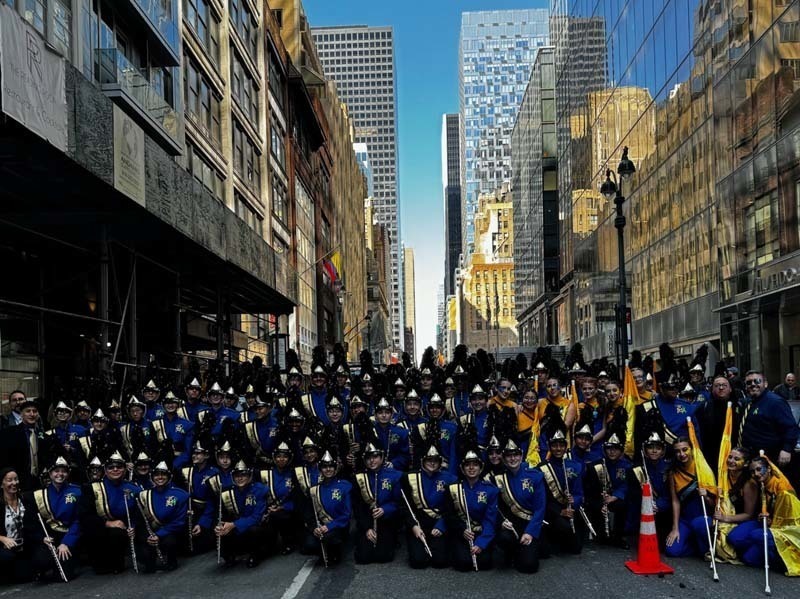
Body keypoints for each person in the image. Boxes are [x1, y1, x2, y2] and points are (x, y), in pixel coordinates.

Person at [728, 454, 800, 574]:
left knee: (756, 537)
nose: (756, 474)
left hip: (786, 530)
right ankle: (762, 549)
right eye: (752, 471)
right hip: (766, 523)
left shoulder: (783, 490)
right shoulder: (762, 483)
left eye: (759, 469)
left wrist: (770, 521)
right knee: (735, 538)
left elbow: (787, 522)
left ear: (769, 469)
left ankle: (778, 558)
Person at [78, 451, 140, 574]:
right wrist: (108, 523)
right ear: (105, 471)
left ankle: (118, 560)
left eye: (119, 467)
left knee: (117, 537)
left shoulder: (134, 489)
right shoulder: (91, 488)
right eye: (111, 467)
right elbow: (84, 516)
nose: (115, 470)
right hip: (99, 529)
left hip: (122, 530)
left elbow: (138, 514)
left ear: (124, 469)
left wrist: (132, 527)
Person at [690, 447, 757, 559]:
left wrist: (725, 518)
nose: (731, 461)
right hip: (721, 517)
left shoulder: (749, 483)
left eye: (736, 459)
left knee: (734, 537)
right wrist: (706, 496)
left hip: (741, 521)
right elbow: (715, 504)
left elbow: (748, 515)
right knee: (699, 523)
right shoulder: (723, 476)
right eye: (730, 457)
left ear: (745, 464)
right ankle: (711, 551)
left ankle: (737, 553)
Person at [493, 439, 546, 573]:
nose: (512, 459)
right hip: (512, 525)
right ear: (504, 459)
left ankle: (528, 549)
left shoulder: (535, 476)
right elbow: (495, 506)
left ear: (521, 455)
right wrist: (501, 522)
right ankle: (514, 551)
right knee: (503, 547)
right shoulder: (499, 478)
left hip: (530, 524)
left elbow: (540, 508)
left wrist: (529, 533)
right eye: (509, 456)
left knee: (529, 567)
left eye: (515, 455)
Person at [401, 444, 458, 569]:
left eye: (435, 460)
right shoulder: (409, 478)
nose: (432, 463)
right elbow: (406, 507)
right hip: (419, 524)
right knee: (418, 562)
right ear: (422, 460)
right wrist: (413, 526)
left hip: (439, 522)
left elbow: (452, 508)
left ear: (440, 462)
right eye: (429, 460)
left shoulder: (450, 479)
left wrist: (441, 526)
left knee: (440, 562)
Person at [27, 456, 82, 582]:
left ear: (67, 473)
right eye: (56, 471)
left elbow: (78, 520)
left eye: (63, 471)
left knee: (64, 576)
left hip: (68, 535)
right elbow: (32, 524)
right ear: (50, 473)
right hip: (50, 537)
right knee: (40, 561)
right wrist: (42, 538)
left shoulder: (77, 492)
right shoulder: (39, 495)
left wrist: (66, 542)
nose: (60, 474)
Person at [445, 449, 498, 571]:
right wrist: (462, 530)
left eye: (475, 465)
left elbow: (490, 519)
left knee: (484, 563)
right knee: (463, 564)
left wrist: (481, 543)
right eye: (467, 465)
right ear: (462, 469)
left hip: (481, 531)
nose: (471, 468)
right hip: (463, 531)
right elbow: (449, 515)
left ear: (481, 468)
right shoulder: (453, 488)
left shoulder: (491, 490)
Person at [665, 438, 715, 557]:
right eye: (677, 451)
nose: (681, 454)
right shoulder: (673, 472)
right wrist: (675, 528)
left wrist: (707, 496)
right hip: (686, 518)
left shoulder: (702, 468)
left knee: (700, 524)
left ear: (692, 450)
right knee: (672, 550)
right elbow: (675, 501)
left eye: (685, 449)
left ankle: (705, 547)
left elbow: (715, 503)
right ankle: (695, 546)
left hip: (703, 518)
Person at [352, 443, 403, 564]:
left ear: (382, 457)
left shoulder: (395, 475)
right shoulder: (359, 478)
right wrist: (367, 528)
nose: (372, 461)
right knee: (363, 558)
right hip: (367, 520)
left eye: (375, 457)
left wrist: (386, 509)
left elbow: (399, 502)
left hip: (387, 518)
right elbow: (358, 507)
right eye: (368, 458)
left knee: (384, 557)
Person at [135, 461, 188, 572]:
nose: (160, 477)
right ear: (152, 477)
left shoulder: (180, 495)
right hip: (150, 532)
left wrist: (159, 535)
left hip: (170, 531)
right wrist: (148, 537)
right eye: (156, 475)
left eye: (163, 475)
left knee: (170, 542)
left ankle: (171, 560)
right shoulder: (144, 495)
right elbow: (140, 520)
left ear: (169, 477)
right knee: (143, 556)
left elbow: (179, 522)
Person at [215, 460, 269, 568]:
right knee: (222, 528)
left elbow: (256, 517)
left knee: (254, 530)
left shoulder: (259, 489)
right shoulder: (228, 492)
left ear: (249, 476)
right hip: (238, 526)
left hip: (256, 526)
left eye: (243, 475)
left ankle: (255, 555)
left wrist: (234, 524)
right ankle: (229, 555)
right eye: (236, 476)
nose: (239, 478)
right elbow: (223, 516)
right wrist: (220, 526)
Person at [538, 429, 584, 555]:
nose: (558, 449)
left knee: (576, 548)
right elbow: (542, 499)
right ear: (549, 447)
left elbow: (579, 492)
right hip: (552, 511)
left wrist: (574, 502)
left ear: (566, 447)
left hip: (571, 509)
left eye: (561, 445)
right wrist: (560, 511)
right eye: (554, 445)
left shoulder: (575, 466)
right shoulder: (541, 469)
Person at [740, 370, 798, 467]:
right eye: (749, 383)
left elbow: (791, 428)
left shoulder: (775, 402)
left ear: (765, 384)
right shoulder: (749, 402)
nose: (753, 384)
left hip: (771, 458)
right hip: (753, 457)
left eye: (757, 381)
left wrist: (787, 449)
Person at [303, 451, 351, 566]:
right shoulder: (314, 490)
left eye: (331, 467)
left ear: (335, 469)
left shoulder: (345, 486)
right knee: (308, 546)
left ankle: (335, 549)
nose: (328, 469)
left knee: (330, 538)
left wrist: (329, 526)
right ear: (320, 470)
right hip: (321, 526)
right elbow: (310, 513)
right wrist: (315, 527)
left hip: (338, 525)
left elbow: (346, 514)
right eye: (324, 467)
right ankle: (324, 550)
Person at [586, 433, 631, 549]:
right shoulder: (595, 466)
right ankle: (601, 533)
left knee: (623, 505)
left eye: (615, 449)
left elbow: (626, 485)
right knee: (601, 539)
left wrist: (614, 497)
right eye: (609, 449)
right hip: (599, 499)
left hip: (615, 498)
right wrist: (601, 501)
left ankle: (618, 537)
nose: (612, 452)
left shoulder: (627, 466)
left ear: (621, 451)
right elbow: (591, 490)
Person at [629, 432, 672, 541]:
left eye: (658, 448)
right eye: (650, 448)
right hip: (644, 506)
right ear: (644, 450)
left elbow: (670, 495)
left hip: (663, 507)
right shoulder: (638, 468)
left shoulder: (668, 468)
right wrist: (646, 504)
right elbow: (634, 493)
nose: (654, 451)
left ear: (663, 451)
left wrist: (659, 505)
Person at [177, 442, 218, 555]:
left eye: (199, 453)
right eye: (193, 453)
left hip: (209, 510)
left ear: (207, 455)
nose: (195, 456)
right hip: (193, 509)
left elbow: (212, 501)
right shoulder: (187, 472)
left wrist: (202, 522)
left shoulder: (214, 472)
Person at [693, 376, 742, 469]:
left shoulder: (739, 406)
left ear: (730, 389)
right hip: (710, 455)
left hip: (733, 454)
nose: (721, 388)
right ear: (712, 389)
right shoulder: (704, 407)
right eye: (717, 385)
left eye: (724, 385)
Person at [258, 442, 297, 555]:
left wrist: (282, 507)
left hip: (287, 511)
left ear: (289, 458)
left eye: (285, 456)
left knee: (282, 516)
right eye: (278, 456)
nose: (281, 459)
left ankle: (288, 542)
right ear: (274, 458)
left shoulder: (294, 474)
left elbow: (297, 498)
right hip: (268, 510)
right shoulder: (264, 474)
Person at [0, 467, 37, 583]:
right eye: (9, 480)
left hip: (24, 546)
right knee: (7, 558)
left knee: (27, 576)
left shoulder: (25, 499)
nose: (14, 483)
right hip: (6, 547)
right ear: (2, 484)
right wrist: (2, 538)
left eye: (16, 479)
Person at [0, 397, 45, 491]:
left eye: (35, 411)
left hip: (40, 482)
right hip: (17, 481)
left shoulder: (44, 435)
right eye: (28, 411)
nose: (32, 414)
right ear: (21, 414)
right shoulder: (9, 433)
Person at [151, 392, 194, 469]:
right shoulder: (155, 424)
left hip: (179, 464)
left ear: (178, 405)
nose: (170, 405)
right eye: (167, 403)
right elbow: (153, 448)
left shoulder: (188, 425)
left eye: (173, 403)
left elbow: (188, 451)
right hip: (160, 463)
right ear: (163, 405)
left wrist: (173, 466)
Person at [373, 398, 409, 470]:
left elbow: (405, 455)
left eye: (387, 412)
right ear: (375, 415)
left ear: (392, 414)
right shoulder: (371, 431)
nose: (384, 415)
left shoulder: (401, 432)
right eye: (380, 413)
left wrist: (393, 463)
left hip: (395, 469)